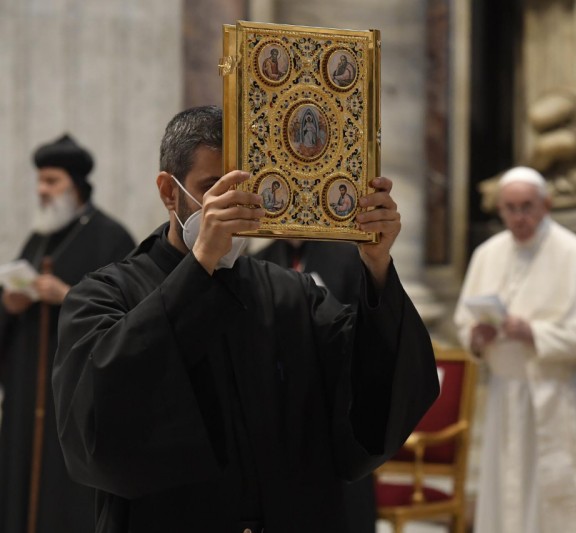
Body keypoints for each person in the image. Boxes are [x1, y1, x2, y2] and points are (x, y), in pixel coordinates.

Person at [51, 105, 439, 533]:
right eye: (214, 190)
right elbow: (100, 421)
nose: (234, 208)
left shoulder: (291, 294)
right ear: (169, 192)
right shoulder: (104, 296)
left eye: (246, 191)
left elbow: (372, 392)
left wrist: (377, 265)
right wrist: (200, 265)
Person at [454, 166, 576, 533]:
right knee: (507, 497)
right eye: (510, 208)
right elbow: (465, 325)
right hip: (507, 396)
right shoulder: (487, 254)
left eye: (527, 207)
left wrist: (534, 333)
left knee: (556, 501)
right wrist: (478, 337)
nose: (519, 217)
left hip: (563, 395)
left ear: (547, 205)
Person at [0, 133, 135, 533]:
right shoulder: (37, 238)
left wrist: (68, 296)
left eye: (51, 181)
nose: (42, 190)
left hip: (76, 394)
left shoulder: (111, 237)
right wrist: (9, 306)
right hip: (28, 390)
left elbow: (131, 314)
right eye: (39, 181)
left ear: (76, 185)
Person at [253, 238, 372, 532]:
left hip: (335, 391)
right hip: (280, 394)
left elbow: (365, 318)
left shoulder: (346, 256)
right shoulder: (261, 259)